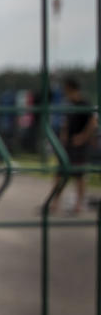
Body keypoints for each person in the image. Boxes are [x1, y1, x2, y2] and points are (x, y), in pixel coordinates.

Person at [49, 77, 98, 215]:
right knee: (60, 173)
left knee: (79, 175)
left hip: (80, 145)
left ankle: (78, 204)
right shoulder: (69, 103)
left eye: (66, 88)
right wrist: (64, 136)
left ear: (71, 88)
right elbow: (66, 122)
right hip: (68, 144)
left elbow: (93, 122)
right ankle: (54, 203)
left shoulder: (84, 102)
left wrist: (82, 137)